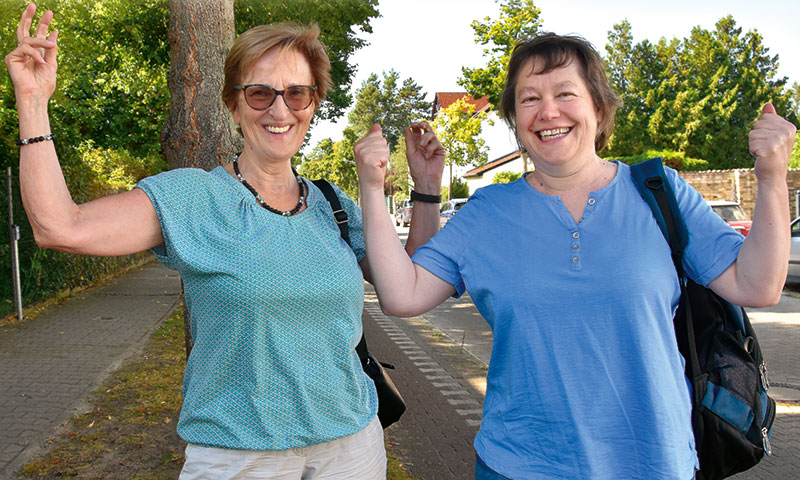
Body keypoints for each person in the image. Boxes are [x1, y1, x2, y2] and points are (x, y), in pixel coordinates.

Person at [5, 3, 445, 479]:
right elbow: (59, 227)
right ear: (233, 104)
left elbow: (409, 284)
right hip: (240, 456)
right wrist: (32, 102)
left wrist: (425, 188)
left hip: (352, 449)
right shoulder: (195, 198)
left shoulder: (331, 204)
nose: (280, 110)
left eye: (297, 94)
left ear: (313, 104)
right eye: (260, 94)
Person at [354, 32, 797, 479]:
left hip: (652, 463)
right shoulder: (488, 213)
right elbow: (401, 294)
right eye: (529, 99)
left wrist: (772, 177)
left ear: (598, 107)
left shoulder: (660, 193)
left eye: (566, 93)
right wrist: (373, 189)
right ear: (515, 118)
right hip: (519, 465)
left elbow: (756, 284)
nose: (548, 112)